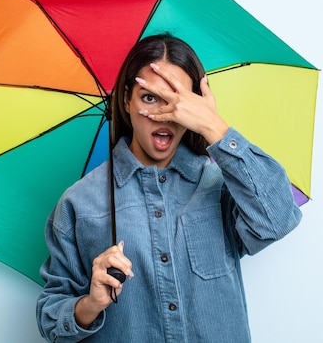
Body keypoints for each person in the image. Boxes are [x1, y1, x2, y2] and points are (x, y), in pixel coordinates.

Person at [37, 34, 302, 342]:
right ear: (127, 100)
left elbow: (279, 219)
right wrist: (90, 304)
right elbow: (51, 321)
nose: (164, 114)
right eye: (150, 97)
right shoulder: (80, 203)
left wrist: (214, 126)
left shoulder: (220, 185)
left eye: (178, 100)